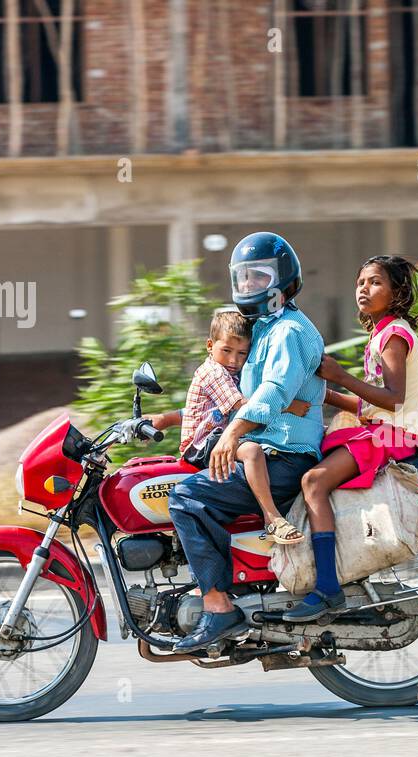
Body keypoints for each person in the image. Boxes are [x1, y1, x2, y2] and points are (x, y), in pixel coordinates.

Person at [166, 232, 326, 655]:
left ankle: (218, 607)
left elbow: (273, 391)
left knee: (185, 498)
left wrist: (233, 434)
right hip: (272, 452)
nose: (250, 286)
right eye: (244, 277)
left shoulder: (288, 331)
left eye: (260, 277)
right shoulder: (265, 330)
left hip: (284, 457)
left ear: (283, 280)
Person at [282, 254, 418, 624]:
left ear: (397, 293)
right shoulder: (381, 333)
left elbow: (393, 399)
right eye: (361, 282)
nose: (364, 288)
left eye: (376, 282)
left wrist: (341, 377)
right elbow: (370, 399)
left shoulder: (393, 335)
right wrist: (323, 395)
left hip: (390, 435)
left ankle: (328, 588)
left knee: (313, 481)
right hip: (379, 427)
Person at [146, 307, 308, 544]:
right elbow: (241, 405)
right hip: (201, 445)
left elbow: (206, 412)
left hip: (213, 436)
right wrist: (288, 405)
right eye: (227, 350)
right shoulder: (214, 373)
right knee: (252, 451)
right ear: (210, 346)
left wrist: (166, 419)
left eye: (243, 353)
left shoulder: (227, 372)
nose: (235, 360)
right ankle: (272, 518)